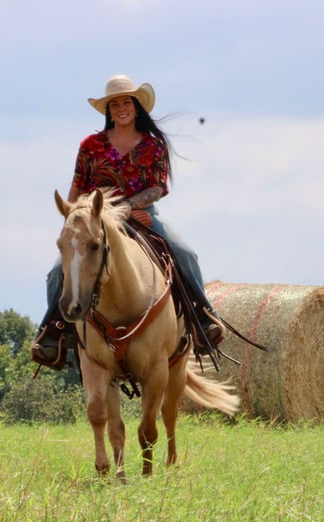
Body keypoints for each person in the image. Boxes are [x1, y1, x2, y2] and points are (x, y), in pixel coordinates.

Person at [30, 74, 225, 369]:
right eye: (115, 104)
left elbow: (158, 187)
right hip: (93, 220)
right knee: (58, 271)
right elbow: (78, 185)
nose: (121, 108)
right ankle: (54, 332)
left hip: (143, 216)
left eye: (127, 102)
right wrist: (70, 220)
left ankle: (203, 319)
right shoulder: (90, 145)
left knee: (184, 253)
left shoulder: (153, 145)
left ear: (136, 107)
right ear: (108, 110)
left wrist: (130, 207)